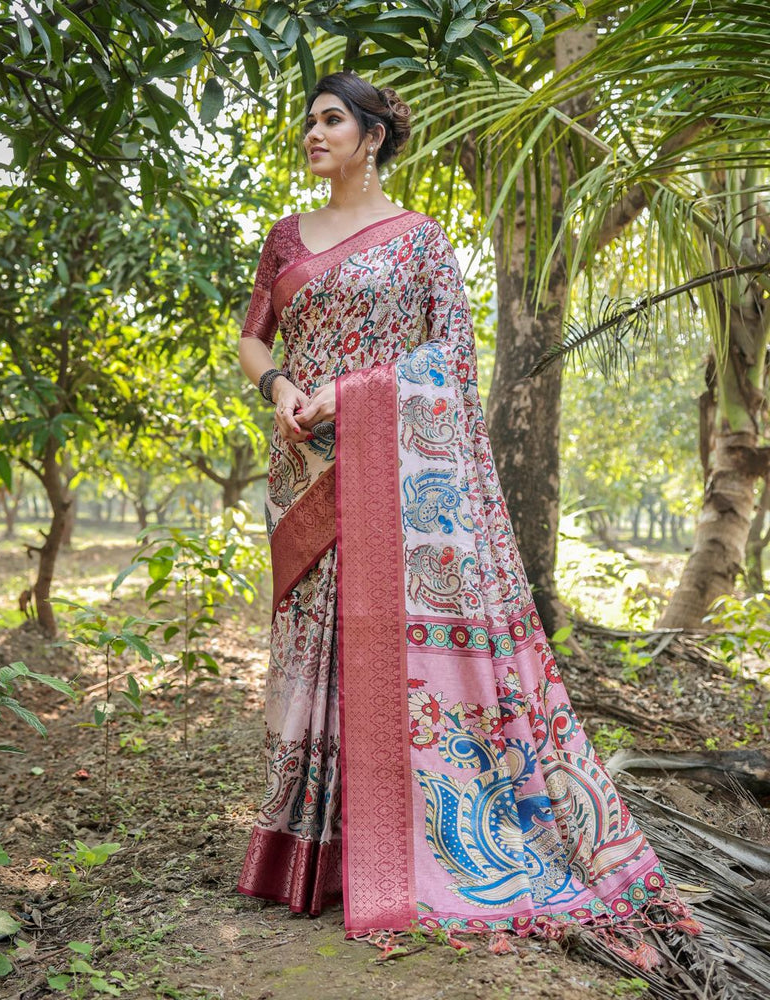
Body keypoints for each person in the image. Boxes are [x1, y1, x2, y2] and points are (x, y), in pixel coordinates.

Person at [236, 70, 700, 963]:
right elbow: (254, 335)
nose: (313, 134)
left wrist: (352, 394)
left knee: (382, 649)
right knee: (311, 650)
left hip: (391, 474)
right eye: (309, 122)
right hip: (303, 468)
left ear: (372, 136)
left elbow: (451, 361)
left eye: (330, 120)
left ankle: (401, 850)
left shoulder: (420, 240)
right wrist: (283, 385)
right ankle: (310, 850)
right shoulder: (285, 237)